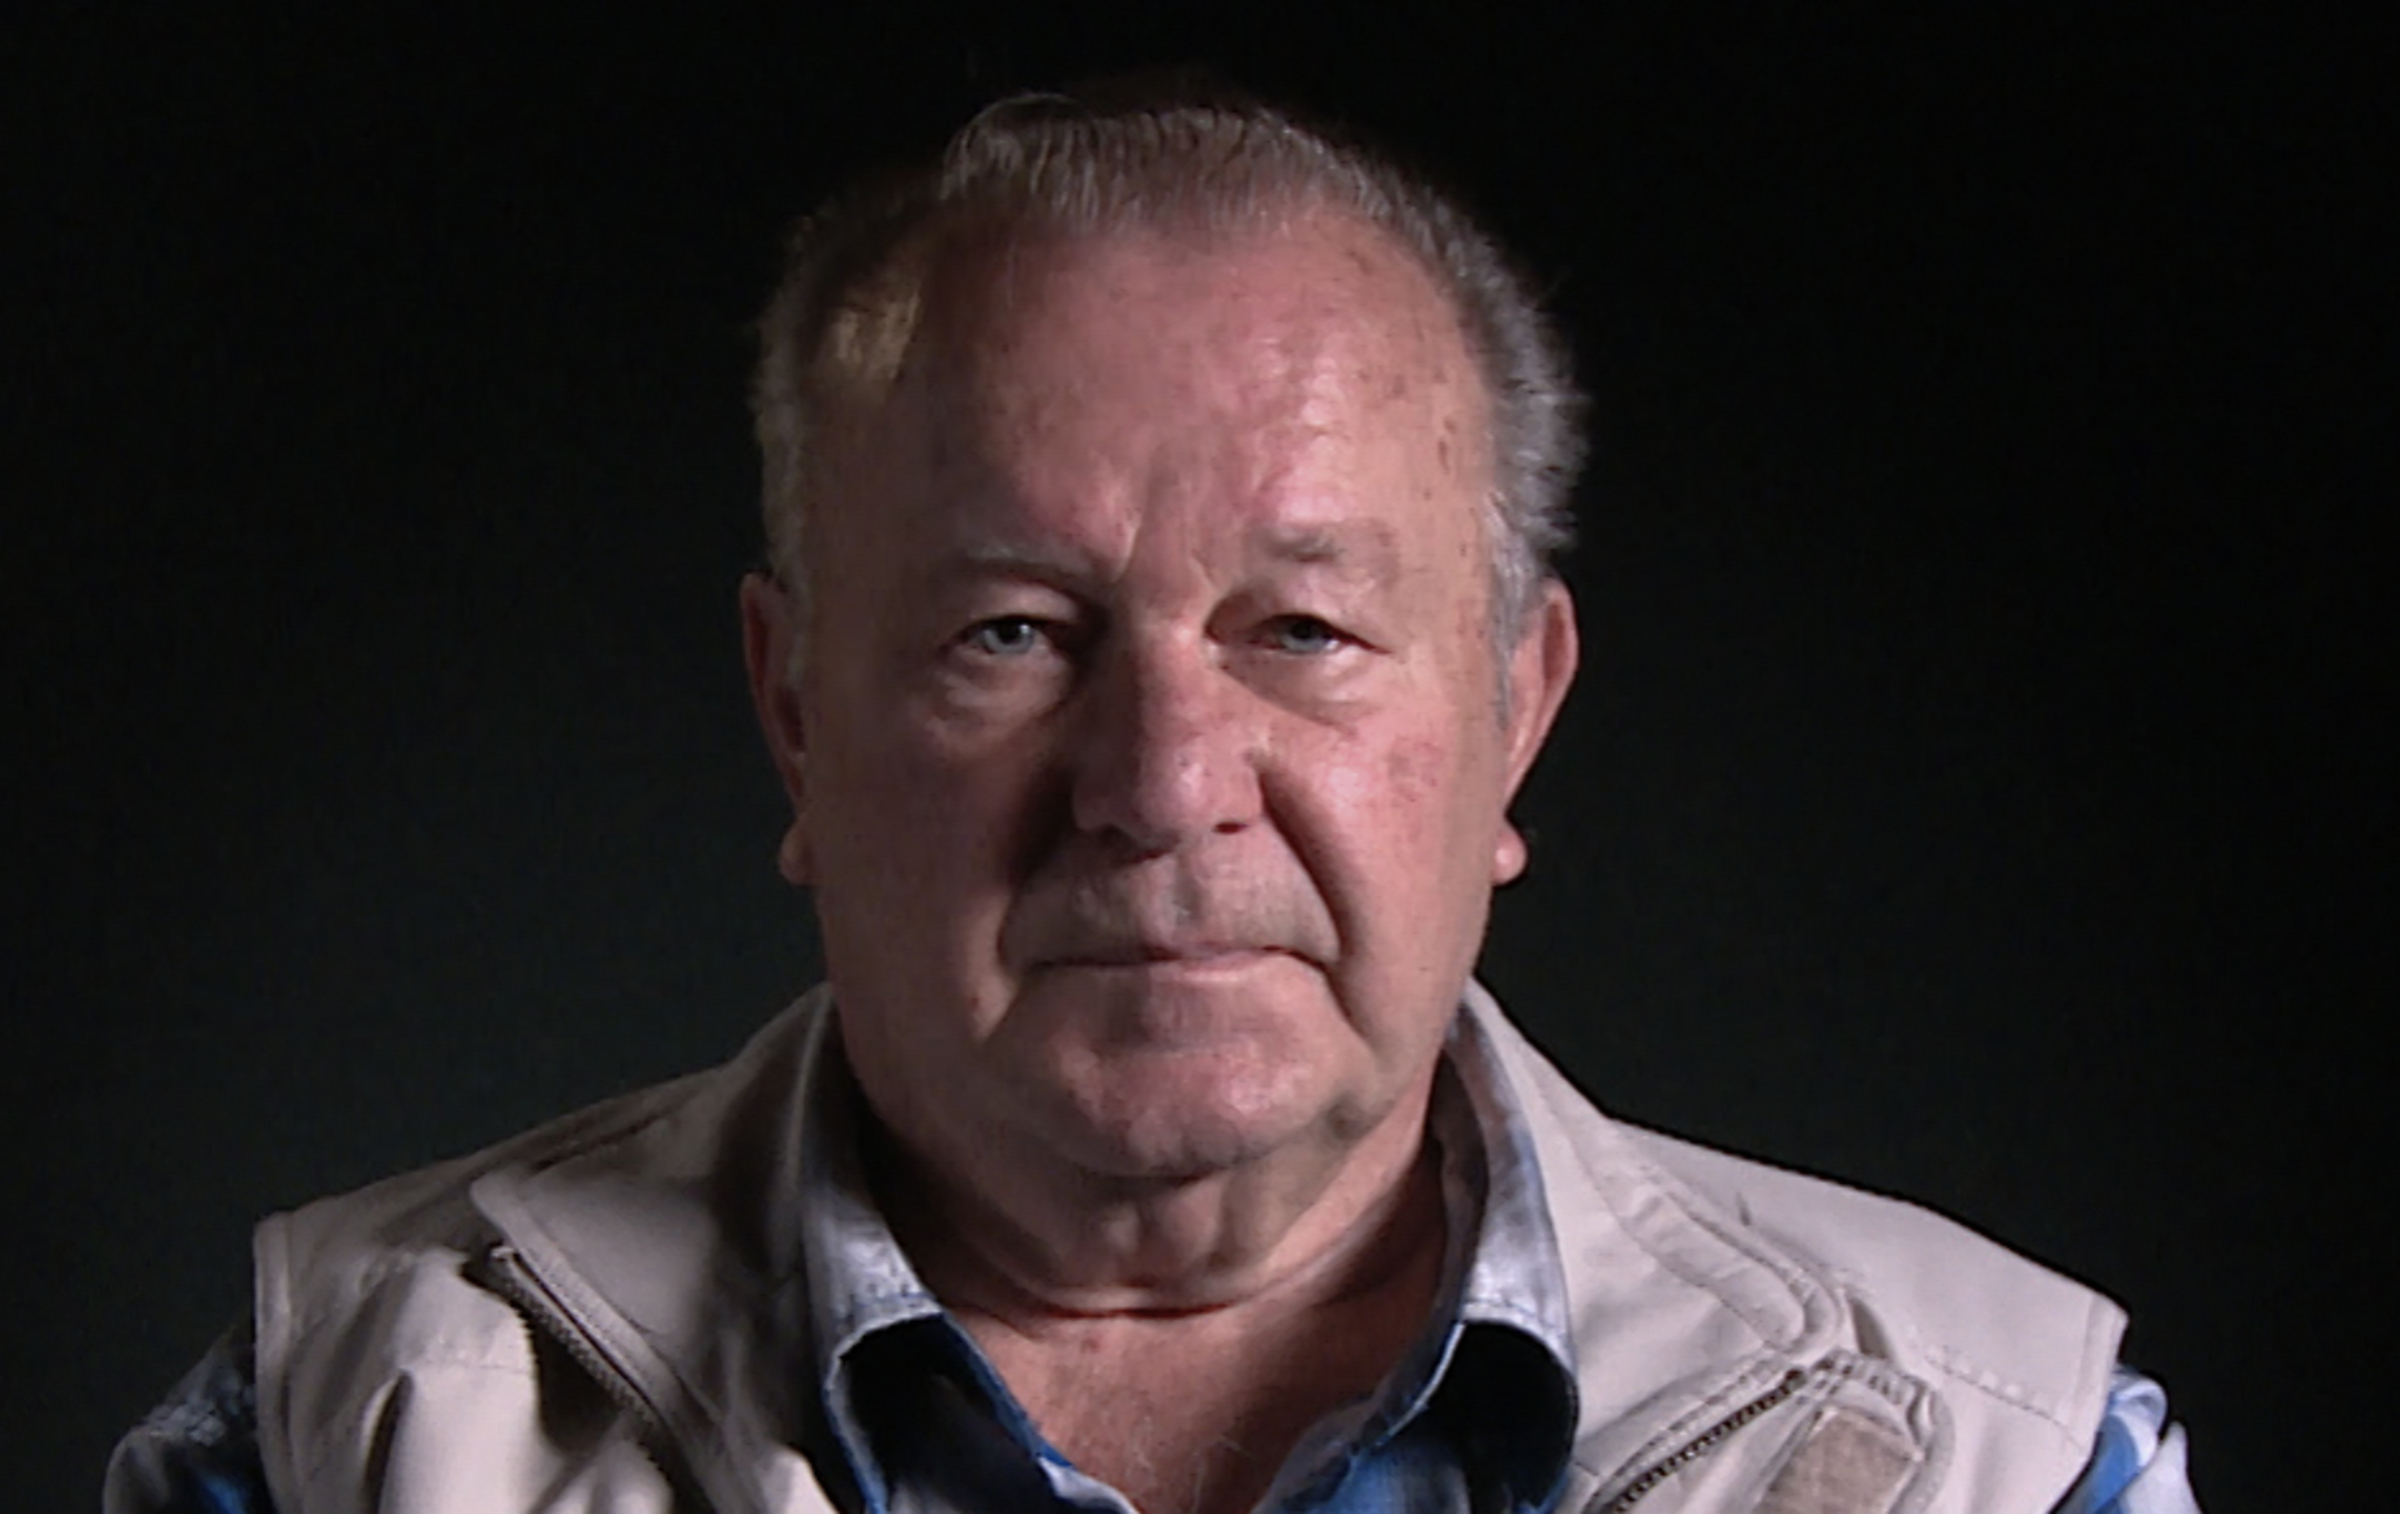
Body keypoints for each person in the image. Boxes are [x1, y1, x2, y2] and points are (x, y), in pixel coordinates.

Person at [108, 82, 2199, 1514]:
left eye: (1303, 628)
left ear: (1514, 715)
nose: (1162, 784)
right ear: (795, 716)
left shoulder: (1997, 1462)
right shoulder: (350, 1433)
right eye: (1012, 632)